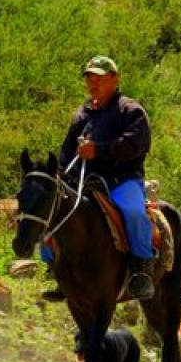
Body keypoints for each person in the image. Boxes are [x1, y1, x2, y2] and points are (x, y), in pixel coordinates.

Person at [41, 55, 155, 302]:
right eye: (90, 79)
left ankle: (141, 270)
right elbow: (67, 151)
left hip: (122, 179)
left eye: (100, 79)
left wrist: (99, 150)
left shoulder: (130, 110)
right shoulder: (82, 113)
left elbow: (136, 144)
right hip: (85, 181)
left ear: (114, 80)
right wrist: (61, 173)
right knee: (51, 212)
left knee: (134, 212)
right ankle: (57, 271)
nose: (94, 84)